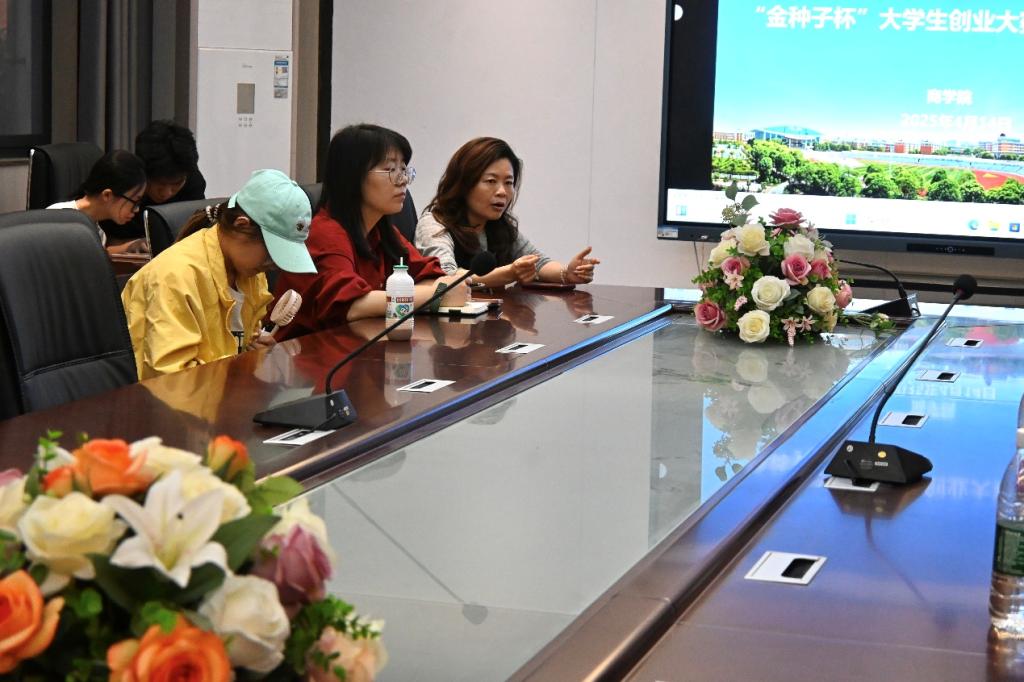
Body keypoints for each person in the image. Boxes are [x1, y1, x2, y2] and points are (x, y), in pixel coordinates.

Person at [273, 123, 468, 340]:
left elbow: (429, 276)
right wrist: (437, 294)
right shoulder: (325, 233)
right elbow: (352, 306)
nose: (403, 180)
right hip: (306, 353)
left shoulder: (382, 231)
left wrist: (434, 289)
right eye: (390, 170)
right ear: (353, 176)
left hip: (362, 345)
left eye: (404, 169)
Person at [121, 169, 316, 379]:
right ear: (241, 225)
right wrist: (240, 368)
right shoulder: (174, 277)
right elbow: (171, 379)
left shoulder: (250, 274)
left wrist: (257, 354)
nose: (274, 265)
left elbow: (242, 343)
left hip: (223, 394)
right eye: (272, 253)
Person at [415, 137, 600, 287]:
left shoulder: (498, 226)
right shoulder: (434, 223)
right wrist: (508, 273)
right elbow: (448, 277)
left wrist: (567, 273)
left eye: (509, 183)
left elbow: (537, 262)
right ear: (464, 184)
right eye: (491, 181)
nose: (502, 192)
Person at [101, 120, 207, 243]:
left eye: (176, 184)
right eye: (160, 184)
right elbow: (100, 239)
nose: (166, 193)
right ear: (142, 171)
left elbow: (198, 231)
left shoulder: (193, 182)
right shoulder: (120, 184)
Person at [47, 149, 149, 254]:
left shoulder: (97, 231)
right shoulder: (57, 218)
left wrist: (131, 246)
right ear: (107, 195)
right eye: (134, 201)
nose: (136, 209)